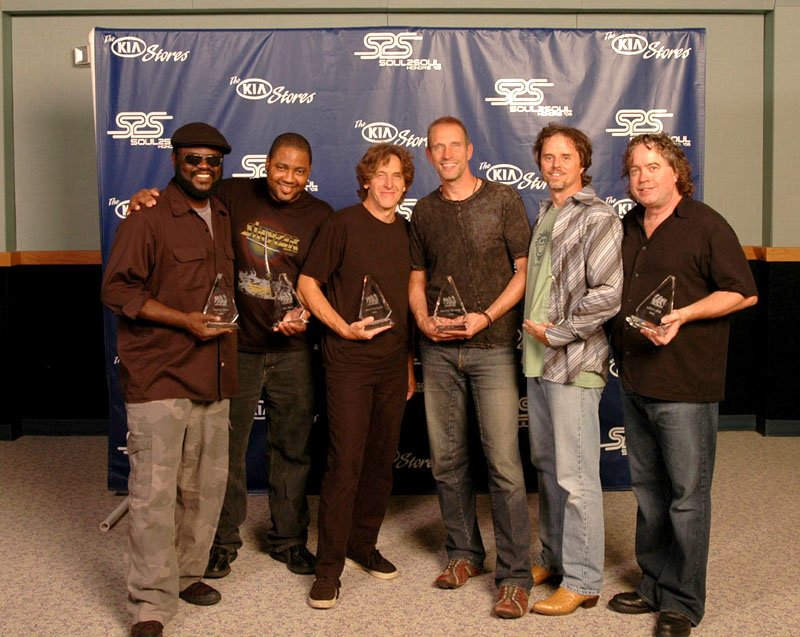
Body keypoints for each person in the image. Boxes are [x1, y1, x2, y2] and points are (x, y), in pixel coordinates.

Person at [128, 133, 333, 578]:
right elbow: (185, 192)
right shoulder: (232, 193)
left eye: (299, 171)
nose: (289, 178)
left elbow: (323, 282)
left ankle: (289, 538)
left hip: (293, 350)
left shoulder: (321, 216)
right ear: (266, 164)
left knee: (293, 447)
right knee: (226, 452)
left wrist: (304, 315)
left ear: (309, 173)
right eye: (281, 168)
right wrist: (146, 198)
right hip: (235, 346)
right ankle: (221, 541)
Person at [608, 133, 758, 637]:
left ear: (676, 171)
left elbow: (743, 292)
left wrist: (685, 314)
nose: (643, 177)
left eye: (653, 166)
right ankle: (653, 583)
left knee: (687, 497)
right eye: (635, 169)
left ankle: (683, 602)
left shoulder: (706, 224)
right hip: (636, 378)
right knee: (650, 494)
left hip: (686, 386)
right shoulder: (628, 225)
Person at [102, 122, 237, 637]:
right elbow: (117, 291)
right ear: (175, 160)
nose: (203, 168)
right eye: (193, 159)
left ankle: (186, 575)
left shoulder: (222, 214)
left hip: (214, 372)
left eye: (212, 161)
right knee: (154, 494)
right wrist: (184, 321)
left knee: (203, 488)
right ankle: (150, 603)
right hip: (160, 373)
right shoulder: (148, 218)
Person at [408, 116, 533, 619]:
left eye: (453, 146)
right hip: (439, 351)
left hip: (494, 347)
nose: (446, 155)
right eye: (437, 148)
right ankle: (463, 553)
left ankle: (515, 576)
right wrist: (423, 320)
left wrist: (486, 316)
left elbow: (524, 272)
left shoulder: (503, 200)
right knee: (447, 460)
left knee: (503, 465)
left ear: (469, 150)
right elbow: (417, 277)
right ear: (429, 154)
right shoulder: (423, 211)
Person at [297, 143, 416, 610]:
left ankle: (362, 545)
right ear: (366, 179)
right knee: (345, 463)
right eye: (380, 174)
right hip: (348, 362)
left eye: (397, 176)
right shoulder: (342, 224)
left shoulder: (407, 231)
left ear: (405, 184)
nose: (388, 183)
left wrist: (408, 365)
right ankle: (328, 568)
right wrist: (342, 327)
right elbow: (307, 284)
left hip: (393, 365)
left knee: (380, 460)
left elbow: (407, 303)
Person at [522, 124, 623, 616]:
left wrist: (560, 333)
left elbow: (608, 293)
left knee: (576, 476)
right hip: (537, 361)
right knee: (548, 467)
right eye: (548, 156)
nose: (556, 164)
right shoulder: (546, 213)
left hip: (573, 361)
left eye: (565, 156)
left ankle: (583, 579)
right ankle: (554, 558)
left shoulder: (598, 216)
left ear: (582, 162)